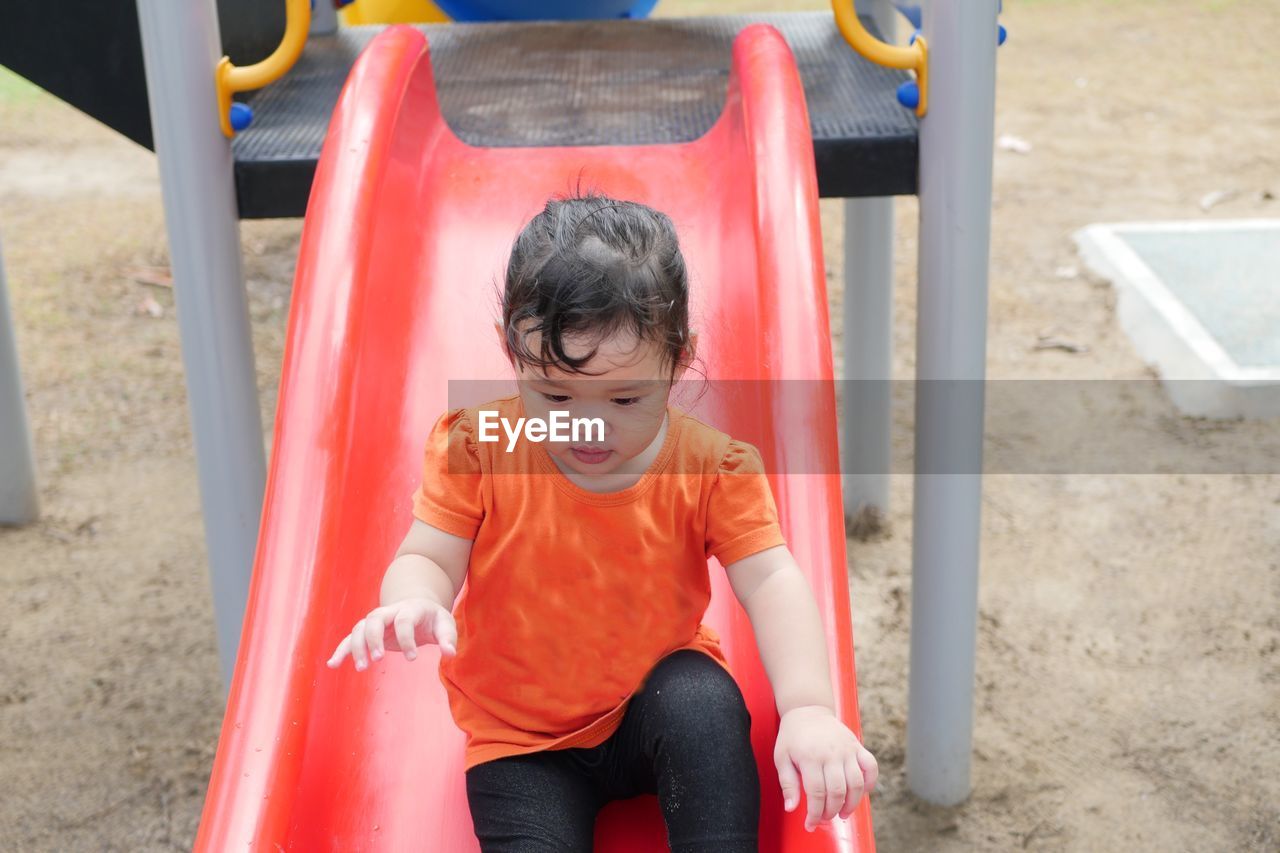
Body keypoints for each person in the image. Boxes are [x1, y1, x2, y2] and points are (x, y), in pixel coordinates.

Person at [327, 192, 878, 851]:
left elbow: (769, 578)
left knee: (701, 702)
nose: (588, 423)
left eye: (625, 397)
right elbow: (428, 554)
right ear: (513, 354)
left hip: (654, 697)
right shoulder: (478, 447)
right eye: (554, 393)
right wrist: (411, 599)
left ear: (679, 358)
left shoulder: (711, 466)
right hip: (521, 740)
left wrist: (810, 708)